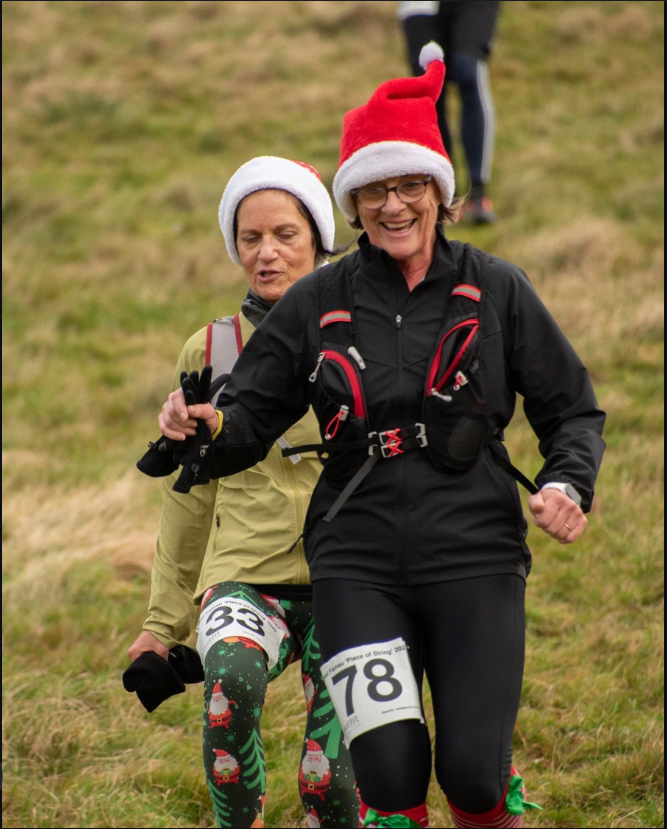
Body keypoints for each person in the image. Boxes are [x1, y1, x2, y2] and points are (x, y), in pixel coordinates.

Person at [158, 46, 605, 829]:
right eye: (373, 192)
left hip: (474, 549)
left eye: (408, 187)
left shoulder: (495, 287)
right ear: (353, 205)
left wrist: (568, 481)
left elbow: (571, 409)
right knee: (390, 774)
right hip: (356, 560)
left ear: (440, 191)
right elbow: (250, 417)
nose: (393, 206)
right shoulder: (317, 300)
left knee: (472, 771)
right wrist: (207, 425)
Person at [129, 157, 359, 829]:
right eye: (249, 237)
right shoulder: (209, 349)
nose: (265, 253)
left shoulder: (363, 338)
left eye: (285, 234)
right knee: (229, 680)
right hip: (244, 577)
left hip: (352, 576)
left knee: (332, 780)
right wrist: (160, 624)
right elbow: (189, 496)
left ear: (319, 239)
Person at [398, 0, 501, 224]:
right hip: (420, 6)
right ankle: (447, 194)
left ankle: (479, 194)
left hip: (470, 6)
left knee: (468, 70)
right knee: (430, 89)